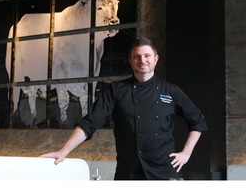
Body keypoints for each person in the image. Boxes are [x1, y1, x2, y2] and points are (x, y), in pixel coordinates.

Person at [40, 36, 208, 180]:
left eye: (147, 56)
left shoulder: (170, 90)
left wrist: (186, 153)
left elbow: (197, 121)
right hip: (128, 173)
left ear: (156, 59)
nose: (142, 60)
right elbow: (90, 123)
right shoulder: (117, 90)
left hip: (163, 172)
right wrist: (63, 151)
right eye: (137, 57)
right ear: (130, 61)